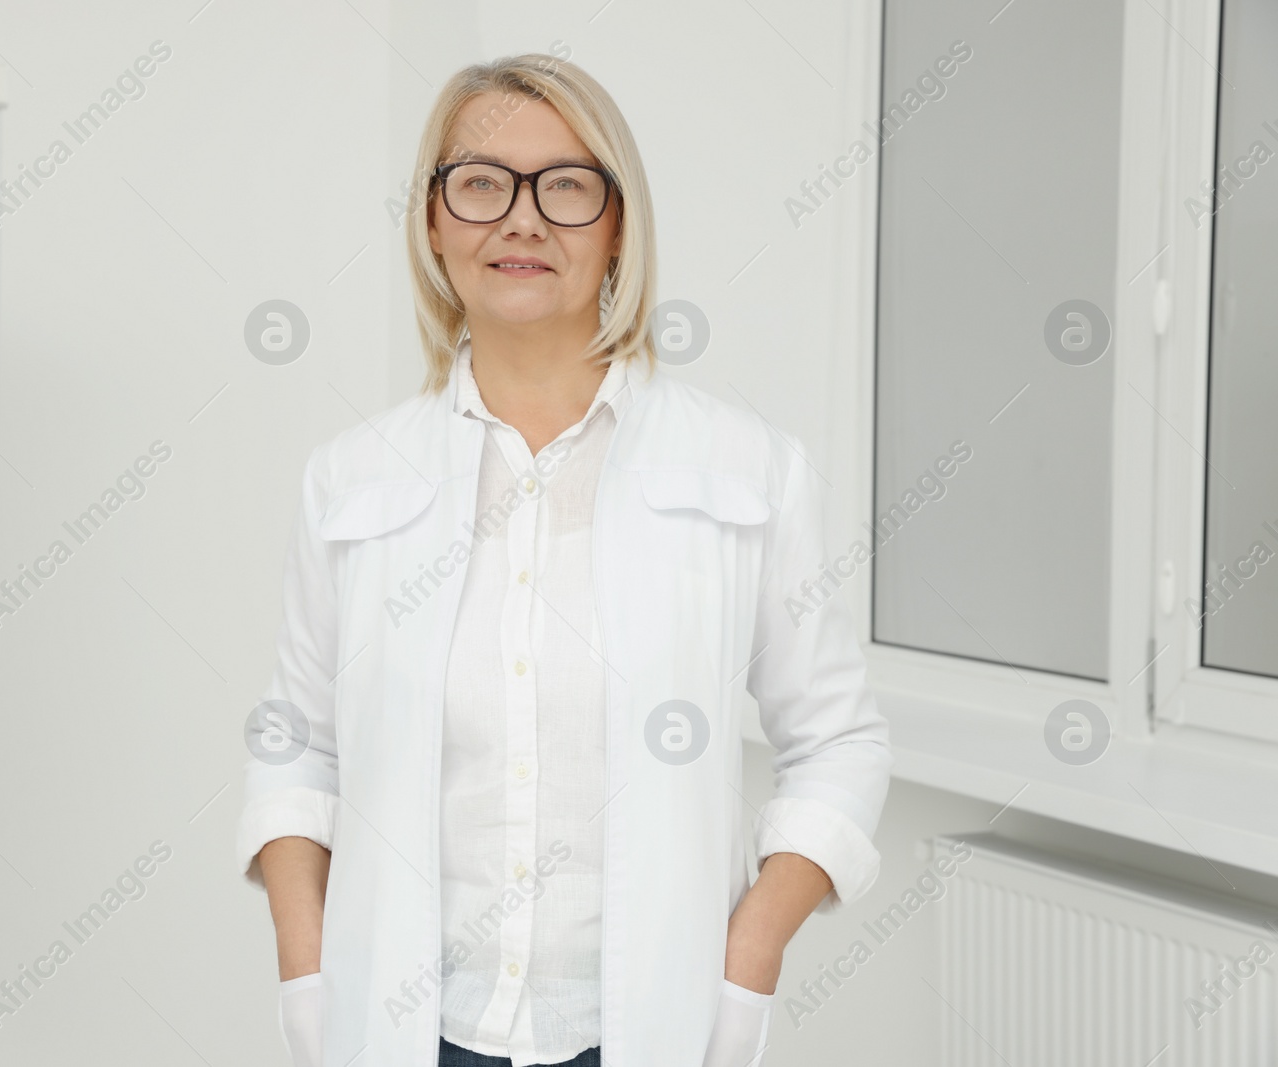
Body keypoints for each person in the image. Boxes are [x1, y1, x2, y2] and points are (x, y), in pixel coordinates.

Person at [236, 52, 893, 1067]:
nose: (522, 219)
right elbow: (294, 743)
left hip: (649, 1026)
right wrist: (306, 966)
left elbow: (837, 740)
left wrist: (747, 957)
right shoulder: (353, 479)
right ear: (432, 220)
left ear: (619, 223)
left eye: (567, 185)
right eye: (481, 182)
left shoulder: (749, 470)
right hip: (406, 1025)